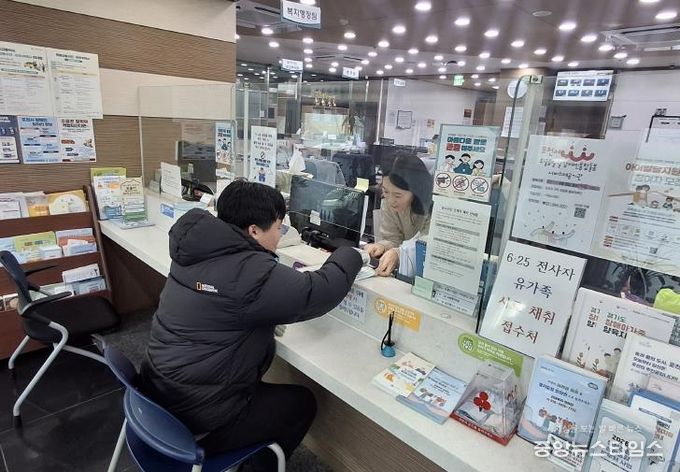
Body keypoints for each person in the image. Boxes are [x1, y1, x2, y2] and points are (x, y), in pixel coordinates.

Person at [139, 180, 363, 471]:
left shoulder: (195, 248)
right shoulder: (249, 271)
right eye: (279, 227)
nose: (281, 235)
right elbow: (319, 292)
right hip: (198, 418)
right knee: (300, 403)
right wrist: (353, 252)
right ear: (254, 230)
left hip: (157, 396)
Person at [365, 154, 432, 276]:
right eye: (386, 191)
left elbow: (427, 247)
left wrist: (399, 254)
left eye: (398, 195)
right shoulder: (387, 202)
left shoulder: (432, 206)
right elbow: (393, 239)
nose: (391, 201)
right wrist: (382, 246)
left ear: (416, 190)